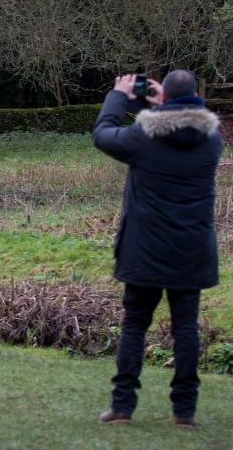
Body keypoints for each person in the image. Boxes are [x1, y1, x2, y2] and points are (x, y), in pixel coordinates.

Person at [92, 70, 222, 429]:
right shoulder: (213, 139)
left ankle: (122, 406)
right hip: (191, 251)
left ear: (166, 97)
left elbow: (103, 134)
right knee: (186, 329)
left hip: (145, 249)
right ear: (195, 96)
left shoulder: (142, 137)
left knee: (135, 325)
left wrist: (119, 97)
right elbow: (184, 122)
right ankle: (184, 412)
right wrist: (165, 103)